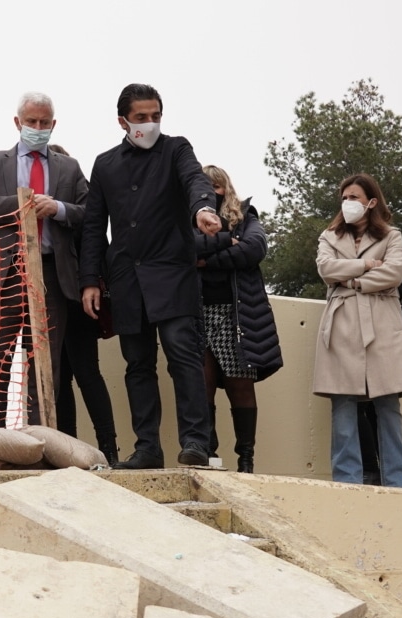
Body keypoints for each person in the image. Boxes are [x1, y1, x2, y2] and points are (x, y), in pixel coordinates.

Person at [80, 83, 221, 469]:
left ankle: (195, 443)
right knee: (138, 365)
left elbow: (195, 180)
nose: (150, 124)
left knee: (183, 356)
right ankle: (147, 449)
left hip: (173, 272)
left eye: (156, 116)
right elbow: (94, 226)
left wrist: (202, 210)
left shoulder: (177, 148)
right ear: (123, 120)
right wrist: (91, 279)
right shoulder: (105, 163)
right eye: (141, 117)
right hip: (127, 279)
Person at [0, 91, 87, 428]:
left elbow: (90, 213)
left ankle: (39, 438)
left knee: (46, 364)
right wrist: (20, 203)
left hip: (50, 275)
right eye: (31, 121)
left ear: (53, 125)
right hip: (2, 274)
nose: (37, 127)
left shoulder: (69, 168)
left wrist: (58, 208)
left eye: (44, 122)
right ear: (17, 123)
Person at [313, 172, 402, 487]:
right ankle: (347, 481)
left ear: (371, 202)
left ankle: (398, 482)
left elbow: (395, 272)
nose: (348, 203)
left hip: (383, 324)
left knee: (388, 406)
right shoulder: (329, 236)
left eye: (354, 197)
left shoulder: (391, 236)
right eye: (344, 197)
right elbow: (326, 269)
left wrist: (353, 280)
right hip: (341, 325)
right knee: (342, 407)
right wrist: (367, 265)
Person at [195, 165, 282, 473]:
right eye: (204, 187)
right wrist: (224, 245)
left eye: (215, 187)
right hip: (196, 312)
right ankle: (209, 454)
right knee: (200, 384)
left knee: (240, 386)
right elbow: (182, 252)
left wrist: (207, 260)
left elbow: (254, 248)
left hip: (237, 315)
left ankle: (246, 459)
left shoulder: (245, 217)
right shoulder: (187, 221)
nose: (211, 193)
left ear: (225, 188)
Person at [48, 143, 118, 465]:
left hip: (78, 300)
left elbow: (95, 245)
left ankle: (109, 450)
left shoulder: (81, 207)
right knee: (58, 380)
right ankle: (70, 450)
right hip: (47, 303)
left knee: (87, 373)